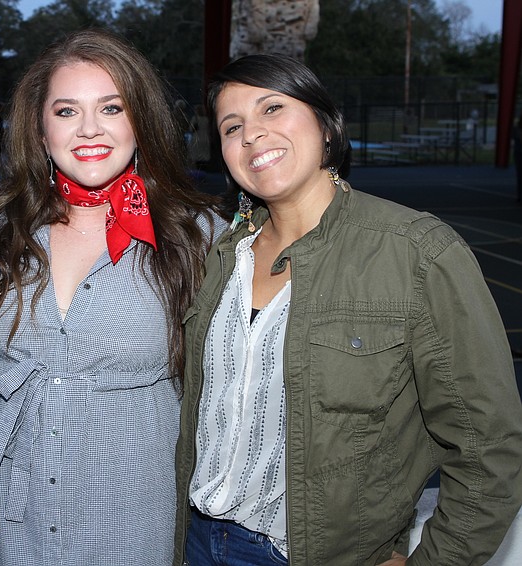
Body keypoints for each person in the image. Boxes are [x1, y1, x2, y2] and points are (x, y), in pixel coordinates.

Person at [174, 53, 522, 566]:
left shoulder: (416, 253)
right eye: (232, 126)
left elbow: (487, 444)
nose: (252, 135)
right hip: (198, 543)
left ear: (326, 125)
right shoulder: (217, 253)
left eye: (272, 108)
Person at [0, 29, 226, 565]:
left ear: (141, 121)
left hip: (131, 517)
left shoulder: (197, 235)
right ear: (40, 130)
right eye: (66, 111)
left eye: (111, 108)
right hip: (13, 514)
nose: (89, 129)